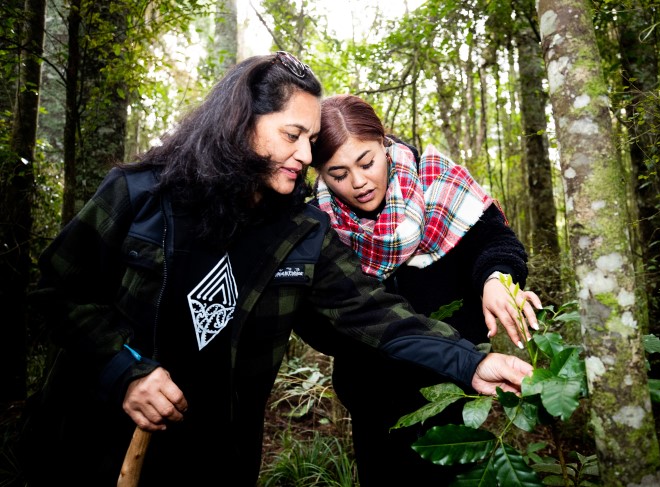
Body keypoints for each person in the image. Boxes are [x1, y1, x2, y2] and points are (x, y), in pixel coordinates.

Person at [18, 53, 533, 486]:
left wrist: (470, 362)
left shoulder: (301, 232)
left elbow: (375, 313)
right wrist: (125, 369)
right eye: (293, 135)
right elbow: (56, 291)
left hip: (218, 451)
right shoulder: (140, 194)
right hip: (91, 434)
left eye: (310, 140)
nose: (305, 155)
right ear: (242, 121)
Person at [304, 94, 543, 486]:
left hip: (453, 392)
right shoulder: (318, 224)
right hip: (373, 404)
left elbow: (497, 243)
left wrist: (496, 278)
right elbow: (322, 318)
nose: (359, 182)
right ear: (321, 174)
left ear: (384, 143)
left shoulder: (438, 183)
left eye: (367, 162)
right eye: (338, 174)